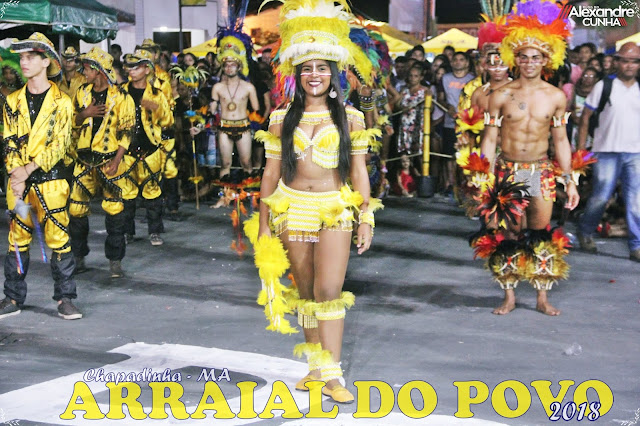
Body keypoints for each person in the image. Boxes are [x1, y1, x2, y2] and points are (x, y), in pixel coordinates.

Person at [254, 0, 380, 404]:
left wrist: (366, 217)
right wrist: (263, 224)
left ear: (334, 73)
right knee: (306, 290)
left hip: (334, 209)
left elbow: (359, 172)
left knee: (329, 288)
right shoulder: (280, 119)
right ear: (297, 73)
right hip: (291, 209)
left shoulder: (350, 117)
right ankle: (315, 368)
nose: (314, 75)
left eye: (322, 68)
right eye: (307, 68)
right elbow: (270, 175)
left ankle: (333, 375)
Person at [480, 2, 579, 316]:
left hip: (541, 171)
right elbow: (490, 138)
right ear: (515, 58)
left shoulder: (556, 97)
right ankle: (509, 296)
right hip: (507, 171)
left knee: (540, 232)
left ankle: (541, 297)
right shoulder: (500, 95)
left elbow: (561, 140)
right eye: (523, 56)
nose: (529, 62)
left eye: (536, 57)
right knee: (508, 234)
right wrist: (482, 174)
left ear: (546, 60)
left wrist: (570, 180)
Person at [0, 33, 81, 320]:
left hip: (52, 181)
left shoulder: (63, 102)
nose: (24, 62)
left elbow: (60, 145)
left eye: (31, 57)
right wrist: (16, 174)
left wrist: (26, 170)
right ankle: (12, 297)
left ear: (47, 62)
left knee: (59, 239)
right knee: (16, 239)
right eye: (22, 57)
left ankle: (65, 299)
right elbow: (8, 140)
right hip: (19, 184)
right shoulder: (12, 101)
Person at [68, 47, 136, 278]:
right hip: (84, 161)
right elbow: (72, 121)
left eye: (87, 69)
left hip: (110, 161)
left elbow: (127, 132)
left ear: (98, 70)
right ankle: (78, 258)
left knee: (115, 211)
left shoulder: (122, 97)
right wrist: (84, 114)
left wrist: (117, 161)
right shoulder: (82, 93)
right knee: (76, 209)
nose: (83, 72)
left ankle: (115, 261)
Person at [576, 42, 640, 262]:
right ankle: (585, 230)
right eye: (625, 61)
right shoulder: (604, 86)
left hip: (636, 153)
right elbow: (585, 117)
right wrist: (581, 150)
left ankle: (636, 245)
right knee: (601, 197)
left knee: (636, 201)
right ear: (617, 62)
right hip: (606, 151)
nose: (629, 66)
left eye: (634, 61)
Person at [121, 49, 174, 246]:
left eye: (136, 67)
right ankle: (127, 232)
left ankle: (155, 231)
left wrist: (155, 108)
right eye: (130, 67)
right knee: (126, 194)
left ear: (146, 69)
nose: (131, 71)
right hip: (126, 151)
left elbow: (168, 121)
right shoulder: (120, 92)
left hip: (150, 149)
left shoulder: (157, 94)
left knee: (152, 192)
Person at [210, 36, 259, 181]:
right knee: (225, 163)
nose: (229, 68)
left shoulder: (248, 87)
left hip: (243, 127)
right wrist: (207, 114)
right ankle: (224, 192)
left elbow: (256, 108)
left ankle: (248, 192)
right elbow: (212, 110)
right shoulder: (217, 87)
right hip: (224, 127)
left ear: (239, 66)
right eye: (226, 65)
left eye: (232, 65)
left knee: (246, 162)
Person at [439, 51, 474, 192]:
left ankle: (465, 183)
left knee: (466, 153)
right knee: (449, 155)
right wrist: (448, 107)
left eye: (461, 59)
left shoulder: (473, 79)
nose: (458, 62)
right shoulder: (445, 78)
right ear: (451, 62)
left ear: (467, 62)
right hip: (450, 122)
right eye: (455, 59)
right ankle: (451, 183)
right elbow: (440, 98)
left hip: (469, 124)